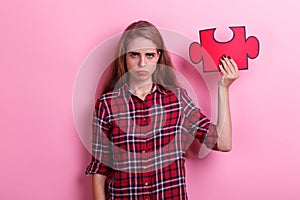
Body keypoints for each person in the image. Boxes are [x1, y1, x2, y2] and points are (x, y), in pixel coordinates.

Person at [85, 20, 239, 200]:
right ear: (124, 57)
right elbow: (99, 171)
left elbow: (223, 142)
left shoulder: (177, 100)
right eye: (134, 55)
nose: (142, 63)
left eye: (149, 55)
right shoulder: (107, 105)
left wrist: (223, 88)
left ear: (158, 56)